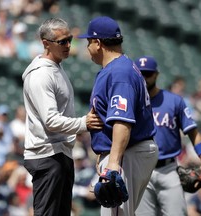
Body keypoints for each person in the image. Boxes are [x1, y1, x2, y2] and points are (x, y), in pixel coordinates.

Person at [77, 16, 158, 215]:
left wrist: (113, 162)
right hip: (129, 152)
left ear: (98, 43)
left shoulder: (119, 72)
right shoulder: (119, 68)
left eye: (89, 42)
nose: (87, 47)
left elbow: (123, 121)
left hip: (129, 153)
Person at [22, 18, 103, 216]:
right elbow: (50, 120)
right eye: (62, 42)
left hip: (59, 153)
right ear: (45, 43)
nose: (68, 45)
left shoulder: (56, 67)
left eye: (70, 40)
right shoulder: (41, 74)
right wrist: (84, 123)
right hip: (47, 154)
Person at [134, 55, 201, 216]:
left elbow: (193, 133)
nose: (144, 78)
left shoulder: (174, 101)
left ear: (156, 74)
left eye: (148, 74)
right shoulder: (131, 102)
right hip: (140, 169)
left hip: (168, 169)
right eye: (141, 74)